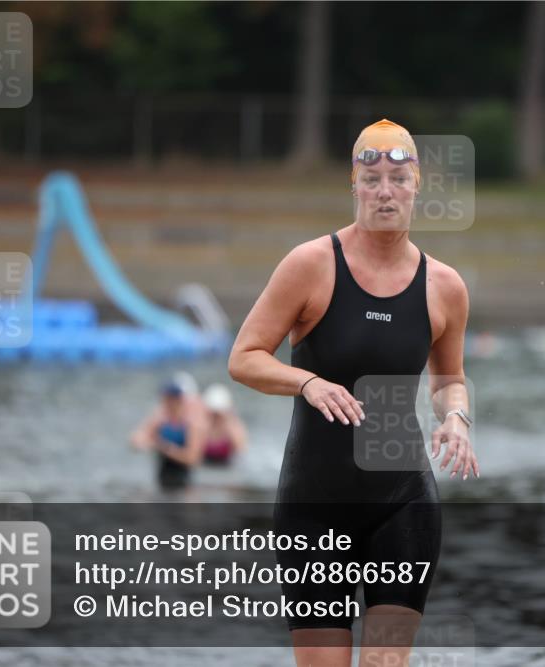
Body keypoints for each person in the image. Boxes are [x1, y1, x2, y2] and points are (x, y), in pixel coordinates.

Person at [229, 119, 478, 667]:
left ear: (418, 185)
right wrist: (308, 382)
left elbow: (450, 380)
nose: (384, 191)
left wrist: (457, 418)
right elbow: (244, 358)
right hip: (315, 507)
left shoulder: (445, 287)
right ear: (354, 186)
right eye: (372, 179)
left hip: (404, 502)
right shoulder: (311, 265)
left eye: (397, 178)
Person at [129, 379, 205, 490]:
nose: (165, 402)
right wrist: (145, 443)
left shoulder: (190, 423)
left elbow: (193, 458)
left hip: (185, 480)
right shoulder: (160, 419)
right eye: (164, 398)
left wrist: (167, 449)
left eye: (169, 399)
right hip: (162, 478)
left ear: (178, 400)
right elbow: (136, 438)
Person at [200, 383, 248, 465]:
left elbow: (241, 449)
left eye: (218, 414)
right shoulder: (204, 424)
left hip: (227, 466)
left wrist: (227, 421)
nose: (216, 417)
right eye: (213, 413)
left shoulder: (233, 425)